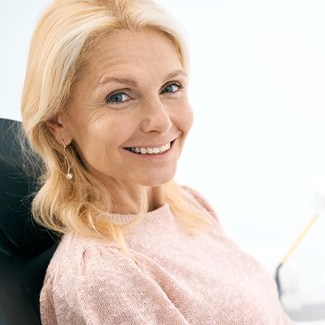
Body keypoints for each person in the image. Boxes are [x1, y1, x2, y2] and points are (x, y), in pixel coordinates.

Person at [21, 0, 294, 324]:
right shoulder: (101, 275)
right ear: (58, 122)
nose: (160, 122)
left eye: (170, 87)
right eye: (119, 96)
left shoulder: (188, 206)